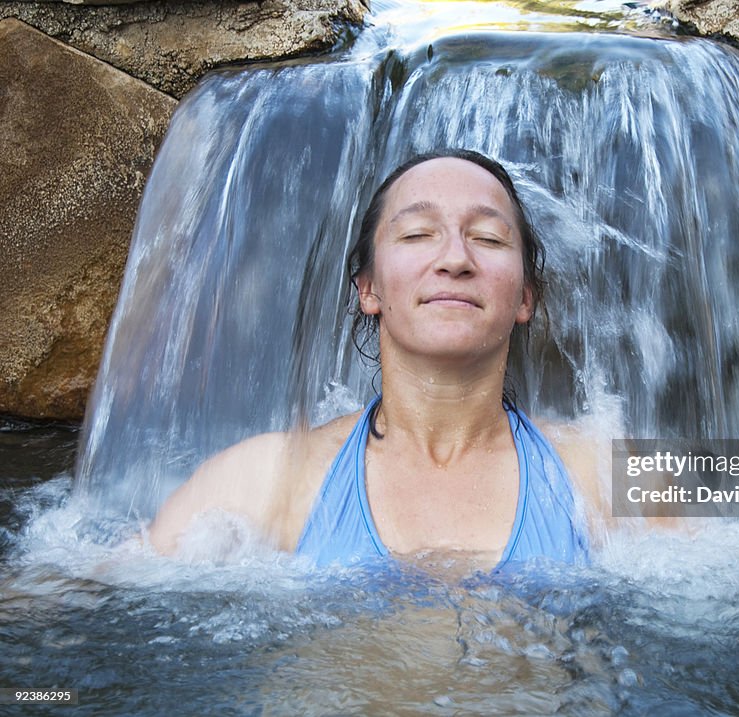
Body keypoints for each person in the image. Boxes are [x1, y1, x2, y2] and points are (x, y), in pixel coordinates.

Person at [148, 149, 604, 570]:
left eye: (487, 238)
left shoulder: (604, 469)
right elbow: (96, 591)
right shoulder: (265, 479)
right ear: (369, 288)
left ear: (526, 297)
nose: (455, 258)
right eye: (417, 234)